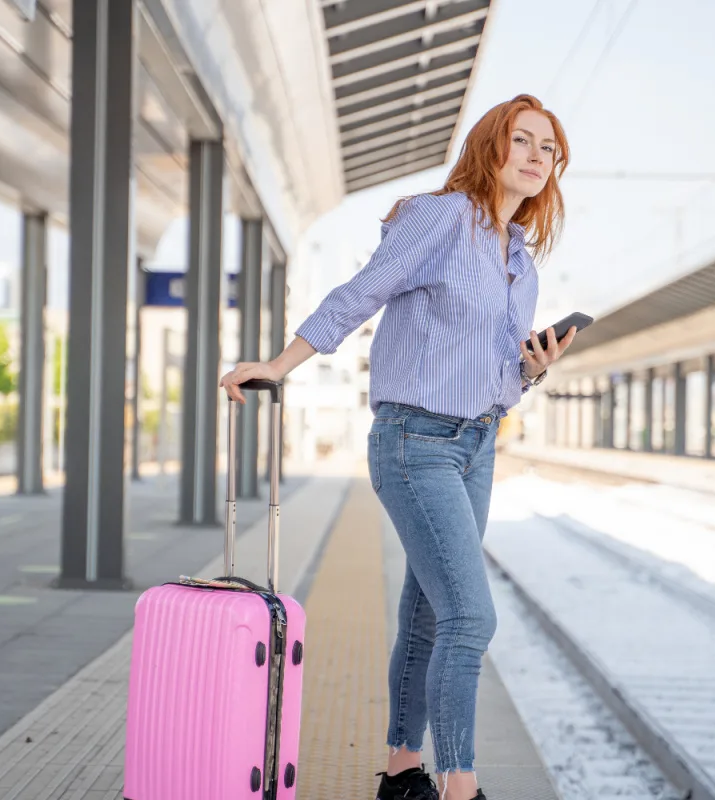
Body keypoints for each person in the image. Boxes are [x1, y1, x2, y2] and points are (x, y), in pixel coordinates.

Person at [220, 93, 576, 800]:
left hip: (477, 445)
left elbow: (494, 374)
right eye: (526, 141)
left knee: (426, 614)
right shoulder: (439, 218)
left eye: (551, 150)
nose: (540, 158)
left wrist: (530, 371)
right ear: (491, 146)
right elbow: (361, 293)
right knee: (471, 617)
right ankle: (462, 788)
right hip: (416, 442)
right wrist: (280, 364)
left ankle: (400, 772)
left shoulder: (520, 261)